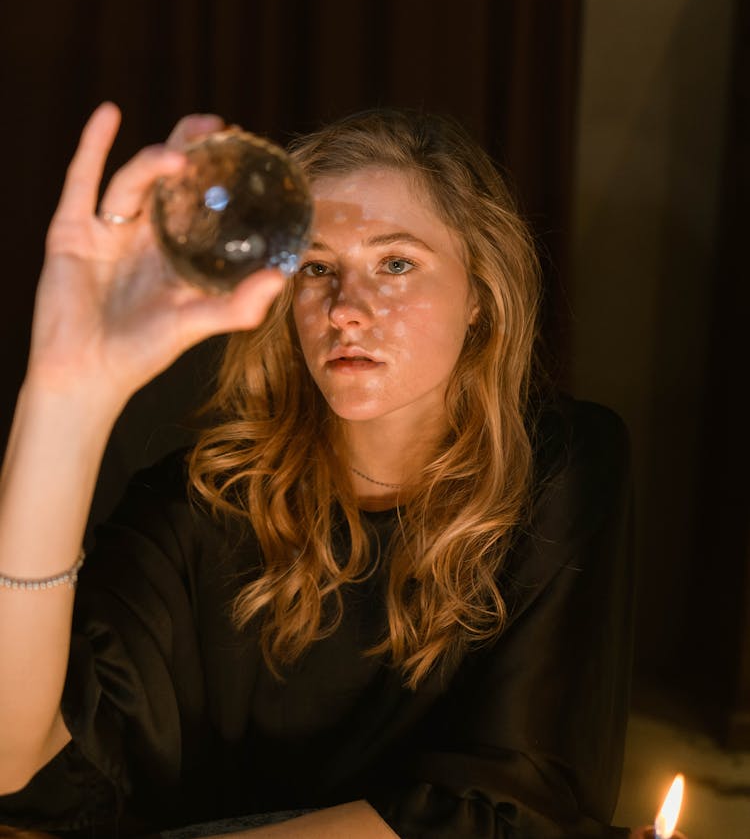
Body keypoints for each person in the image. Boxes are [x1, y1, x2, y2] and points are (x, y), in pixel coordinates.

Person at [0, 103, 635, 839]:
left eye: (396, 263)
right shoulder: (200, 503)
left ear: (480, 300)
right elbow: (22, 768)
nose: (346, 310)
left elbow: (514, 809)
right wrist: (63, 395)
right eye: (316, 268)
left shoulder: (564, 464)